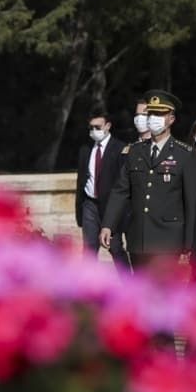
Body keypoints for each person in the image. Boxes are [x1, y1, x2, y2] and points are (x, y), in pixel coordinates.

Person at [100, 89, 196, 269]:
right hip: (139, 238)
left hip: (168, 241)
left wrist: (188, 243)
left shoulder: (185, 154)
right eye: (151, 113)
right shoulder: (136, 151)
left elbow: (191, 202)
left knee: (163, 295)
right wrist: (108, 224)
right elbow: (121, 190)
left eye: (160, 114)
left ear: (171, 119)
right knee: (141, 294)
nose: (154, 118)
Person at [74, 108, 130, 276]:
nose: (94, 131)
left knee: (116, 248)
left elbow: (122, 183)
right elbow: (82, 179)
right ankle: (86, 290)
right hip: (90, 204)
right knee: (89, 250)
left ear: (108, 126)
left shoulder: (120, 149)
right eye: (91, 128)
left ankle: (129, 285)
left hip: (111, 207)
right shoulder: (86, 150)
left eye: (98, 127)